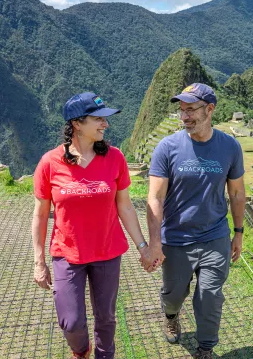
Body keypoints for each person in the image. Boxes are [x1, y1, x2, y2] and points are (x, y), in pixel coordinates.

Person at [32, 92, 158, 359]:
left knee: (106, 317)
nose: (105, 124)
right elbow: (41, 214)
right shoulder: (50, 163)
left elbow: (124, 206)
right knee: (71, 321)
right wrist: (38, 261)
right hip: (67, 253)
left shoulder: (114, 158)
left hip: (107, 251)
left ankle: (104, 355)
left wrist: (143, 247)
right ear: (77, 123)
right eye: (98, 119)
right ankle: (81, 350)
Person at [146, 83, 246, 359]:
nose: (184, 116)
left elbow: (236, 192)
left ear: (210, 109)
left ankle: (205, 348)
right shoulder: (168, 147)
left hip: (214, 236)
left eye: (191, 109)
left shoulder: (229, 147)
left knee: (210, 296)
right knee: (174, 293)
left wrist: (238, 232)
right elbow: (154, 197)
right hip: (176, 238)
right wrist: (155, 242)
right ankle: (171, 314)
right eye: (182, 110)